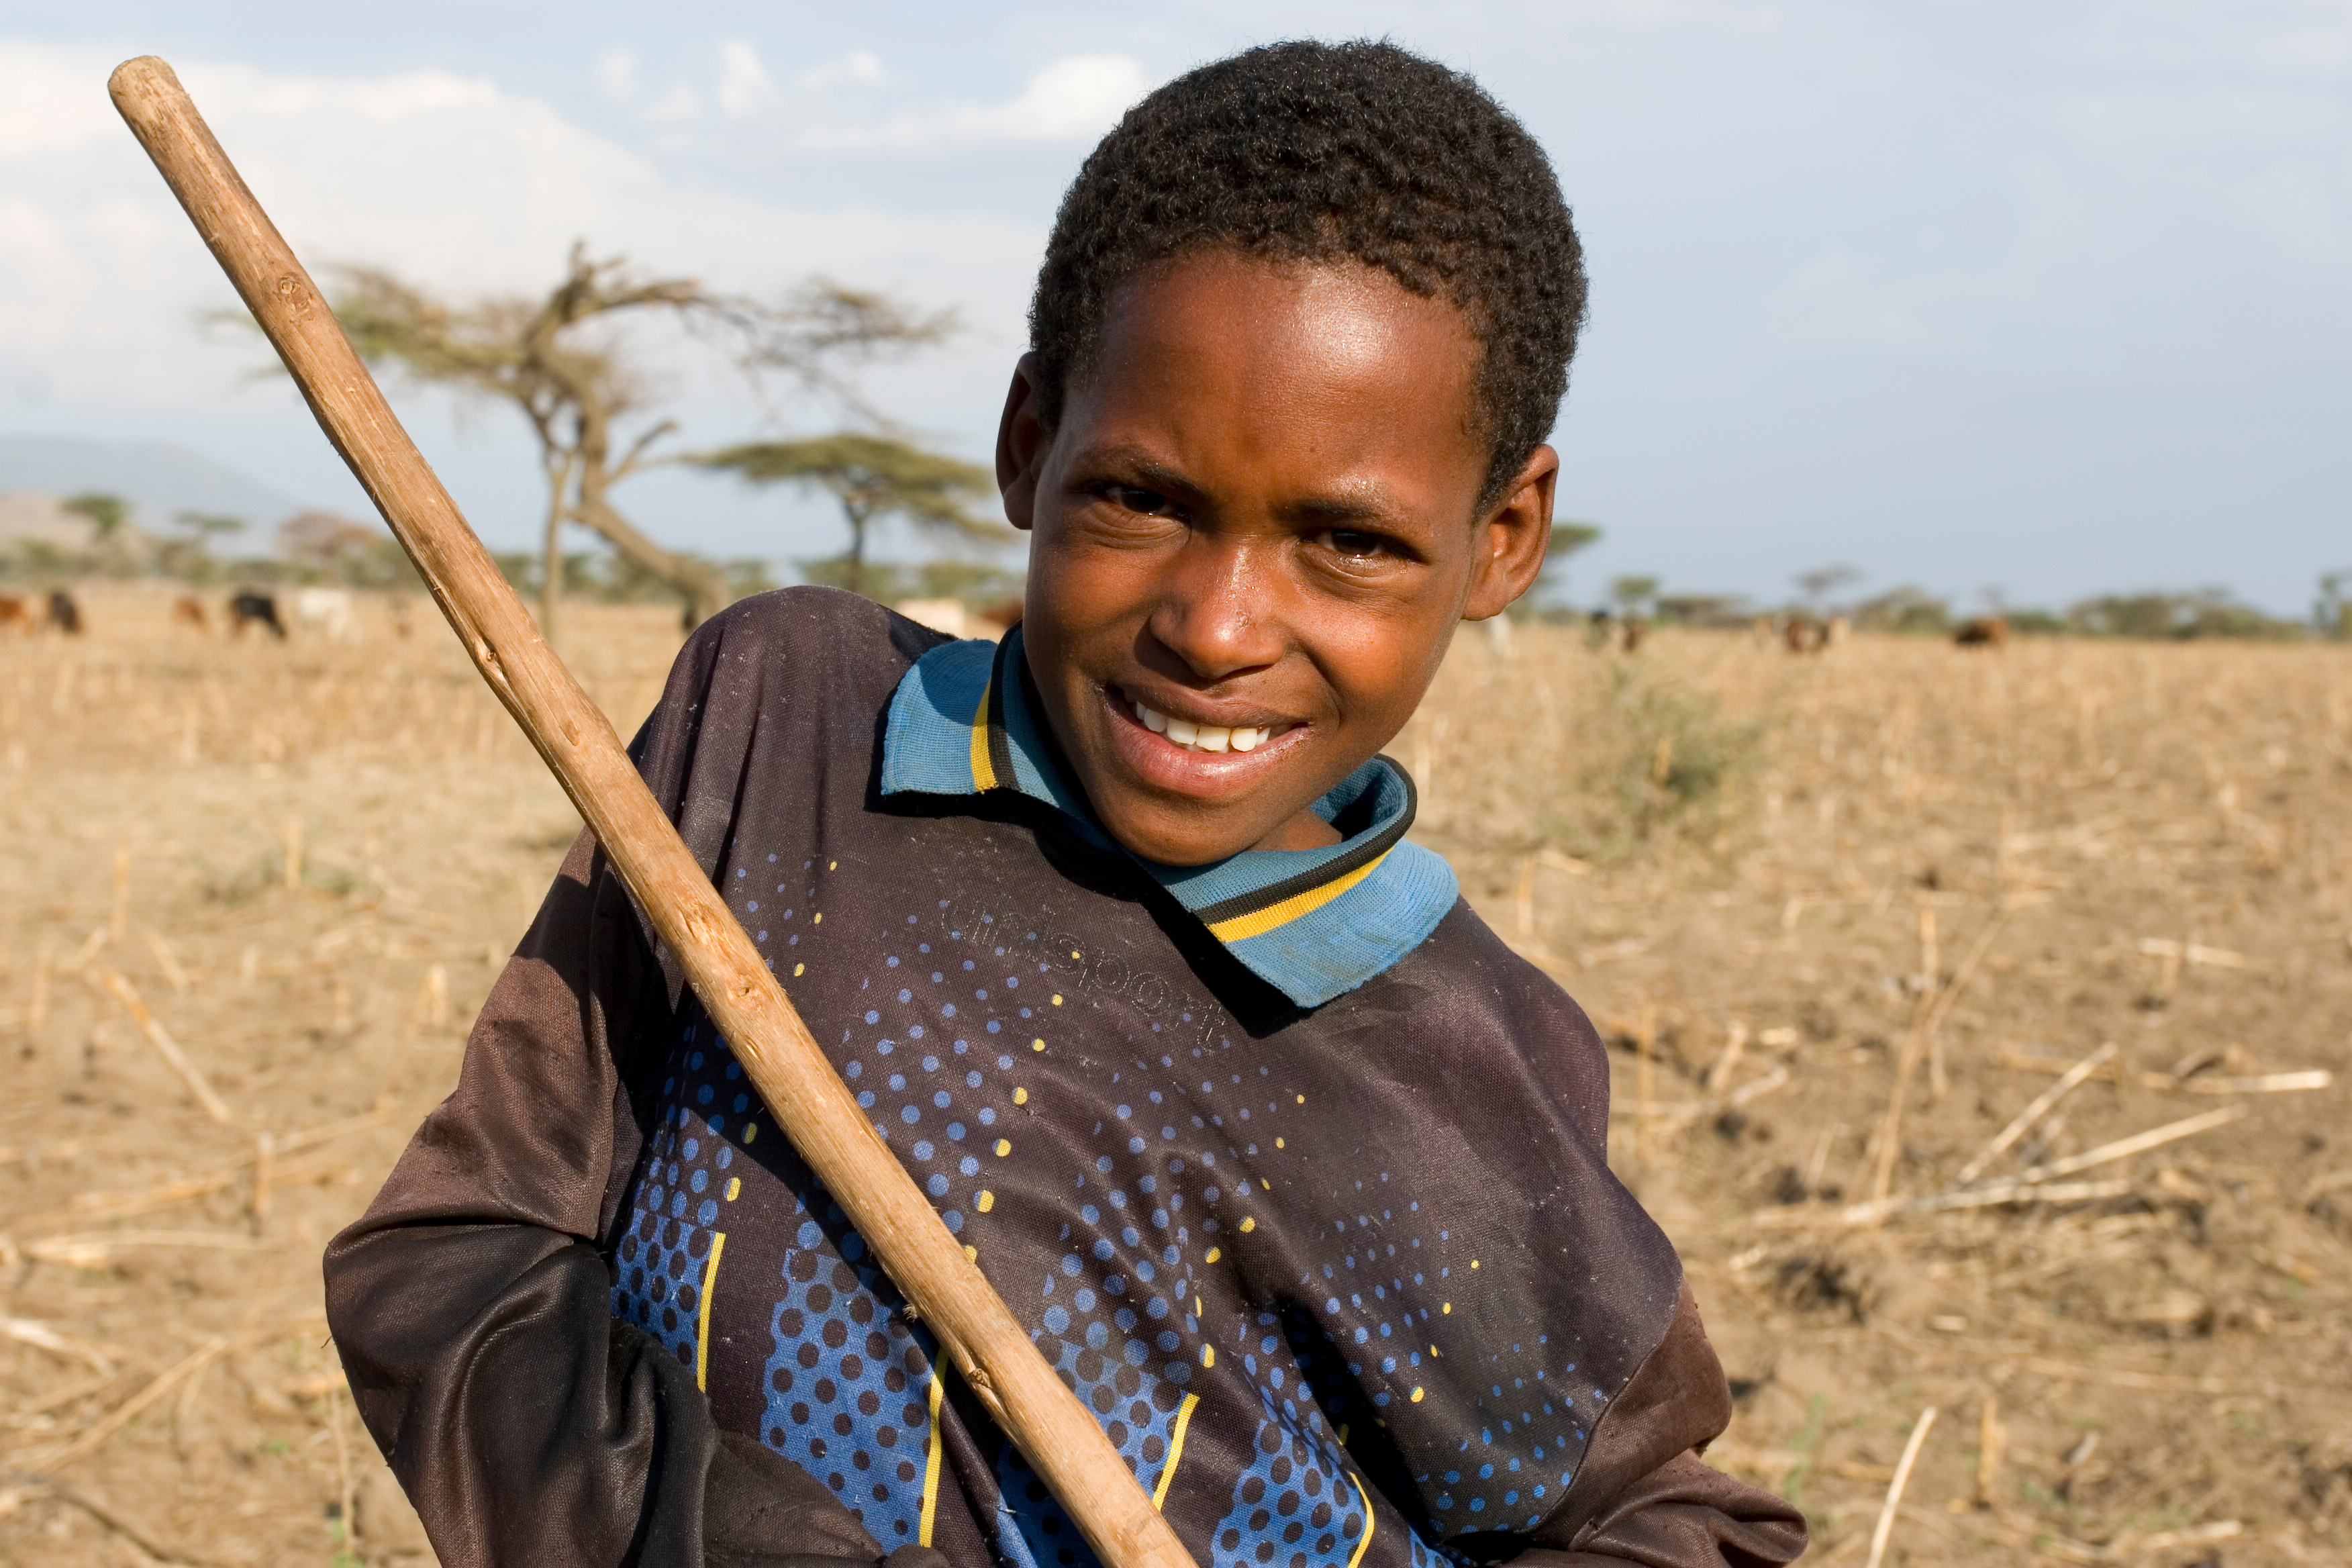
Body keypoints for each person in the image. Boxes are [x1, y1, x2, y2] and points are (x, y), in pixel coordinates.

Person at [325, 40, 1806, 1568]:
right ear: (1031, 444)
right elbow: (456, 1256)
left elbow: (1675, 1526)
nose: (1219, 627)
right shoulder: (782, 732)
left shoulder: (1457, 1064)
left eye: (1346, 542)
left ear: (1502, 538)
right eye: (1143, 500)